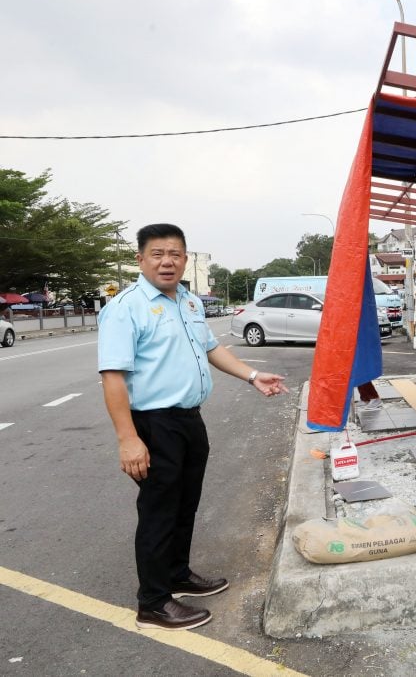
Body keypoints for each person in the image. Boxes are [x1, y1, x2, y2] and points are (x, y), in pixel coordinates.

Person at [98, 223, 289, 631]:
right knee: (158, 511)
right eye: (157, 254)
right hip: (152, 423)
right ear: (140, 259)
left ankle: (177, 575)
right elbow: (112, 377)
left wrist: (253, 375)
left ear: (186, 259)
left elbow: (212, 349)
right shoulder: (126, 307)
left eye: (175, 254)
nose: (167, 261)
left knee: (186, 503)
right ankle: (152, 602)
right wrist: (128, 439)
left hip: (188, 419)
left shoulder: (187, 301)